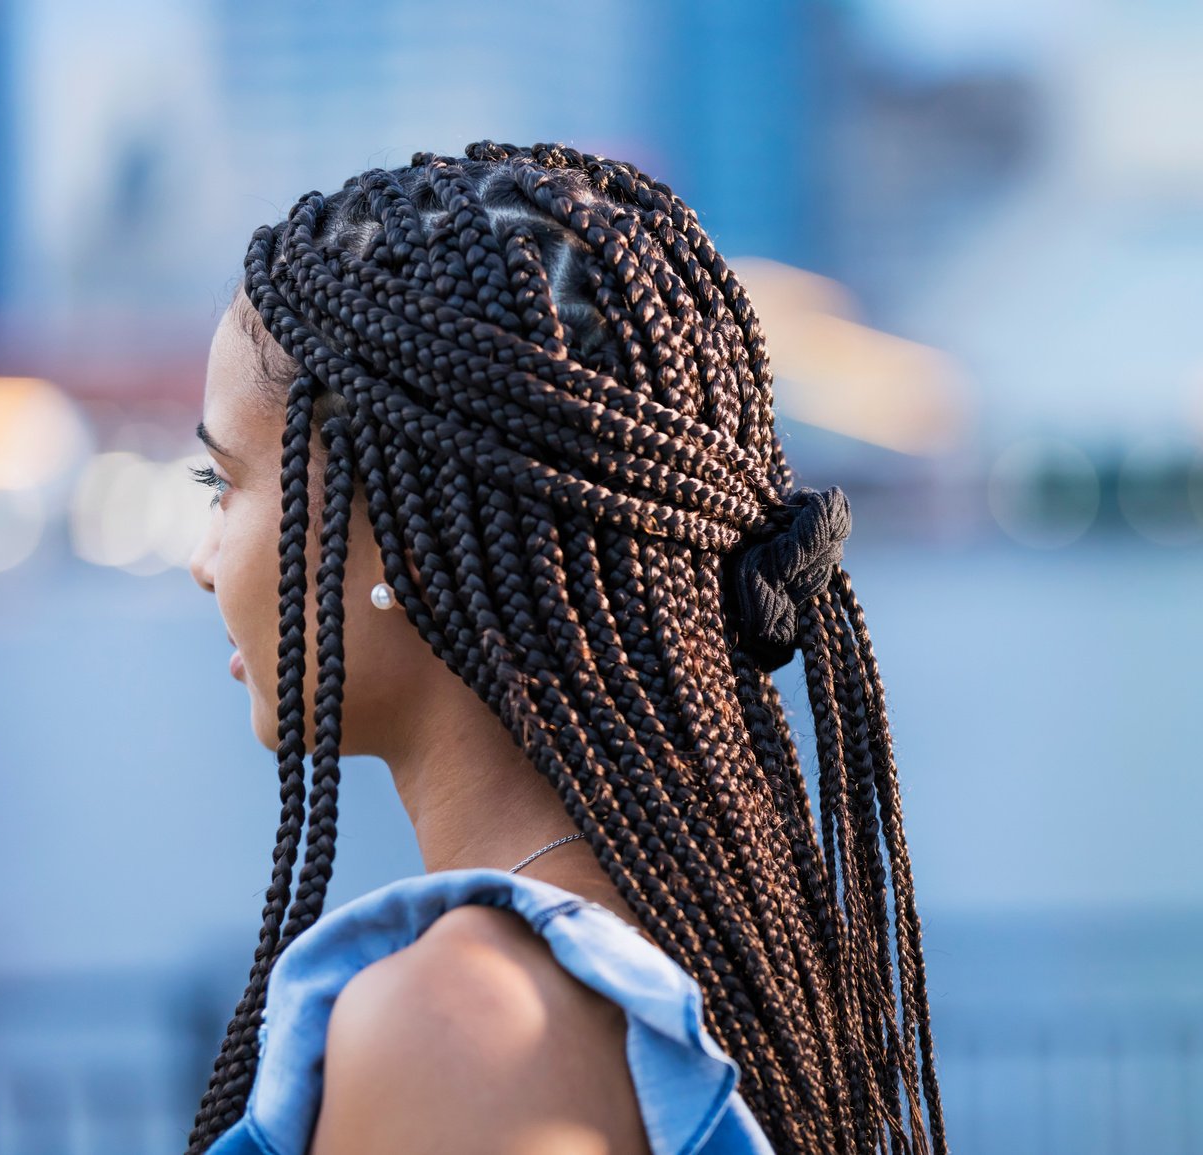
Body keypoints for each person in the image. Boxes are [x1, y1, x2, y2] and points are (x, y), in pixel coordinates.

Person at [182, 140, 948, 1155]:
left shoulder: (469, 1029)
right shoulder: (722, 946)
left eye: (221, 485)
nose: (201, 559)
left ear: (405, 535)